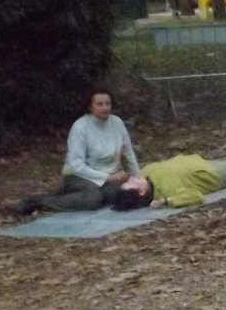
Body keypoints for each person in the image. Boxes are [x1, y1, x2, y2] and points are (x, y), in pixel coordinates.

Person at [12, 88, 141, 215]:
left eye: (107, 104)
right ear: (90, 107)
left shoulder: (117, 123)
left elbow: (128, 153)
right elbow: (76, 166)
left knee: (121, 195)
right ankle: (41, 202)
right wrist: (108, 177)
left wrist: (137, 178)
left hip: (108, 177)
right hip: (79, 175)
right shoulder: (80, 127)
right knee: (92, 199)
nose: (105, 108)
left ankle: (79, 196)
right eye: (99, 104)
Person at [110, 152, 226, 209]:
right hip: (213, 175)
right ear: (141, 191)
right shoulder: (166, 190)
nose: (134, 178)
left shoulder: (145, 173)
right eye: (133, 183)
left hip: (198, 163)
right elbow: (195, 196)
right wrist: (166, 201)